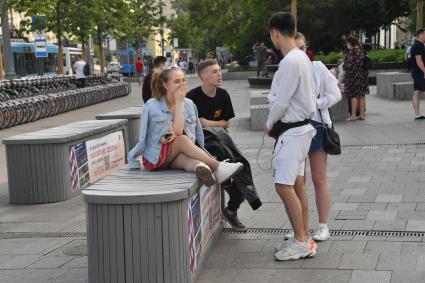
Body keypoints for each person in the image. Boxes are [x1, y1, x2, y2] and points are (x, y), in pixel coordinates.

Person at [127, 68, 244, 186]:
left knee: (187, 161)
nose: (182, 84)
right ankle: (217, 166)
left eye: (183, 80)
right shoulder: (152, 105)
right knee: (181, 139)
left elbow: (198, 135)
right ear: (165, 85)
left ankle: (204, 168)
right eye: (177, 81)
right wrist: (179, 102)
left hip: (174, 155)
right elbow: (147, 137)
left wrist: (204, 153)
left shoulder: (189, 104)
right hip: (155, 157)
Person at [187, 59, 262, 232]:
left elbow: (226, 124)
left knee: (241, 169)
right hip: (204, 144)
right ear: (203, 76)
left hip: (221, 139)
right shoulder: (192, 97)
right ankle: (232, 206)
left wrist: (209, 123)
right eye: (214, 71)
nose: (219, 74)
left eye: (219, 70)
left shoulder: (223, 95)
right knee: (235, 186)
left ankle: (232, 210)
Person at [265, 12, 317, 261]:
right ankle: (304, 236)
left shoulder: (289, 61)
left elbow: (282, 101)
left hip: (293, 130)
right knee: (296, 184)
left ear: (275, 32)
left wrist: (268, 123)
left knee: (283, 185)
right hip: (302, 128)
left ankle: (300, 241)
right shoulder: (302, 58)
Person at [295, 32, 342, 241]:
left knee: (318, 178)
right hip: (292, 128)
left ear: (307, 48)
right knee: (296, 180)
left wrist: (316, 104)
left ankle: (323, 226)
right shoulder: (286, 70)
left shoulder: (318, 68)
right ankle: (300, 227)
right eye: (295, 48)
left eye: (302, 48)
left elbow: (335, 94)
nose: (300, 52)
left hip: (316, 126)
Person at [343, 37, 369, 121]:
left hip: (353, 77)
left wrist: (345, 65)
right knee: (361, 95)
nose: (347, 45)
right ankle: (362, 115)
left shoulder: (352, 52)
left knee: (353, 95)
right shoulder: (362, 51)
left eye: (347, 43)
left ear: (350, 43)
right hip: (362, 76)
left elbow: (348, 65)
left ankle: (353, 115)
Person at [410, 28, 425, 120]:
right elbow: (419, 61)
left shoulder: (418, 45)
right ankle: (417, 114)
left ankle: (417, 114)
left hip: (417, 73)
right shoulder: (418, 46)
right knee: (417, 92)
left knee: (417, 92)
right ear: (421, 34)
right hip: (420, 73)